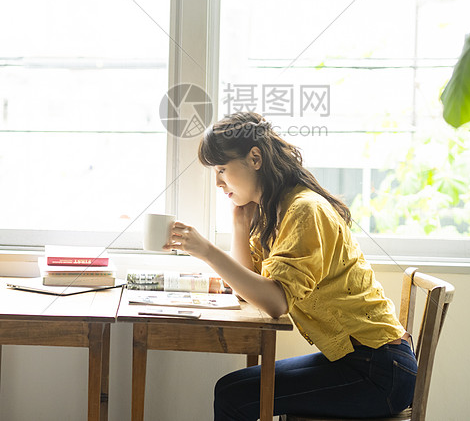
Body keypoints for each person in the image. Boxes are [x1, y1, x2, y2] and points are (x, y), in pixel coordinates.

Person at [165, 111, 417, 421]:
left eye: (221, 170)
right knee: (231, 389)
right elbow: (251, 290)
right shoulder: (277, 209)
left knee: (234, 395)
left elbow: (275, 302)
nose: (218, 182)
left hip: (379, 372)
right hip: (364, 361)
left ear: (254, 158)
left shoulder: (303, 210)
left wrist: (206, 250)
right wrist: (240, 222)